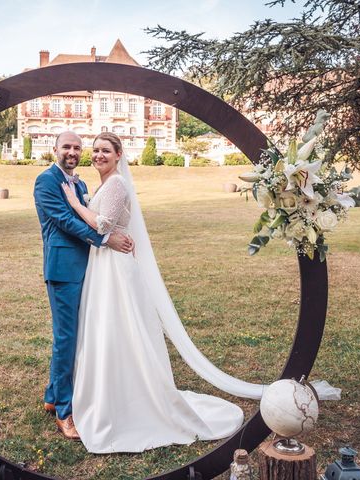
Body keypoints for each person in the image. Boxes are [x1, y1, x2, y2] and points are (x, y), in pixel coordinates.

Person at [61, 132, 244, 452]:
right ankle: (109, 391)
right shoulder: (105, 183)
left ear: (119, 155)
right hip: (104, 265)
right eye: (96, 151)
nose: (98, 155)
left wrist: (75, 203)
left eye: (105, 150)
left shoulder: (116, 184)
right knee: (106, 328)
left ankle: (129, 396)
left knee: (121, 328)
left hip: (116, 269)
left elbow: (103, 225)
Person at [33, 131, 134, 441]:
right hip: (63, 269)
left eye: (77, 147)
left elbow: (93, 216)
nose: (73, 152)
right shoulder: (47, 181)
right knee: (66, 337)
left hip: (90, 268)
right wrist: (105, 239)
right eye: (67, 146)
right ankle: (65, 412)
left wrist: (103, 236)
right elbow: (65, 221)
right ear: (55, 149)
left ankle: (53, 395)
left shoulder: (81, 184)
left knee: (76, 336)